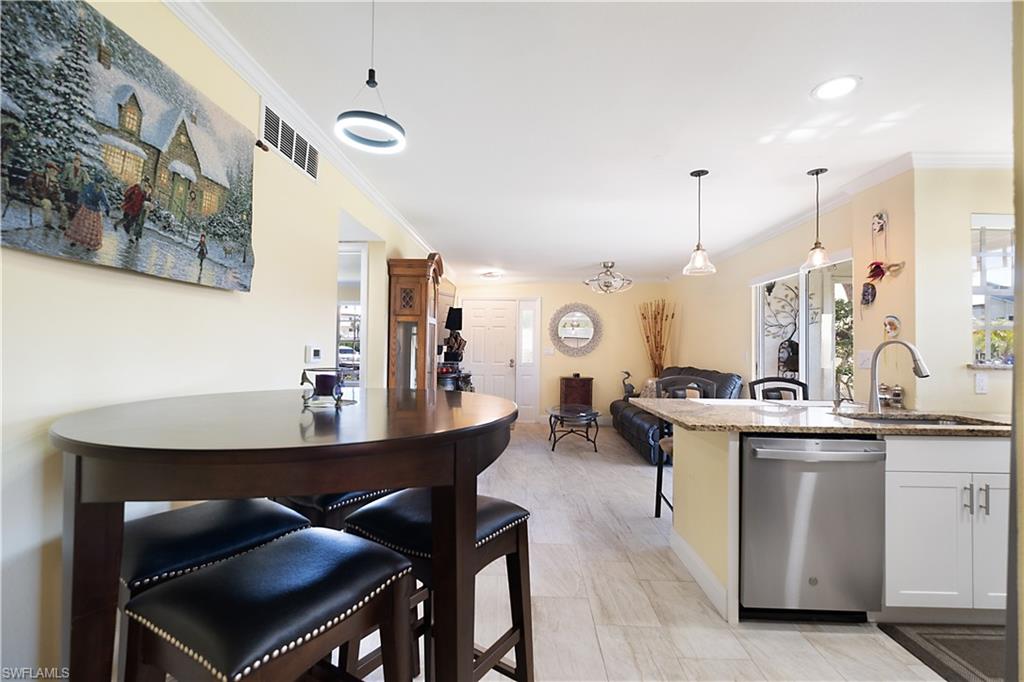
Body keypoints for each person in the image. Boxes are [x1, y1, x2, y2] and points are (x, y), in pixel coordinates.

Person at [64, 179, 109, 250]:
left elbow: (104, 200)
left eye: (100, 184)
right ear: (95, 182)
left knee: (93, 228)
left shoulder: (101, 191)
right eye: (97, 183)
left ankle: (89, 244)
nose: (98, 185)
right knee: (81, 225)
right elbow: (83, 194)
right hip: (86, 208)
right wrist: (80, 202)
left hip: (95, 210)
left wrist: (107, 208)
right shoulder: (89, 186)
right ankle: (75, 241)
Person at [117, 177, 152, 244]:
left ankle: (133, 237)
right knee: (129, 222)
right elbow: (127, 193)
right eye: (144, 182)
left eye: (146, 183)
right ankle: (122, 228)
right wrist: (128, 199)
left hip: (139, 210)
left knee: (135, 223)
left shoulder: (145, 191)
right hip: (131, 207)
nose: (145, 185)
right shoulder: (136, 188)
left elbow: (147, 200)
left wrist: (147, 200)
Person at [27, 161, 63, 229]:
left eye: (55, 171)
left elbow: (55, 193)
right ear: (47, 169)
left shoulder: (53, 181)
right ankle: (47, 223)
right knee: (47, 203)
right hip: (37, 197)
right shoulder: (37, 175)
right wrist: (33, 196)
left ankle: (62, 226)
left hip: (45, 198)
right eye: (52, 170)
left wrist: (57, 200)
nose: (54, 173)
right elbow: (29, 185)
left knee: (62, 206)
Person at [59, 153, 89, 225]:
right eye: (75, 161)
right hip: (69, 190)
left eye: (78, 162)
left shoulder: (83, 172)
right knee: (66, 206)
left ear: (80, 163)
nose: (76, 163)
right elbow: (62, 178)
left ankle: (72, 222)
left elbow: (87, 182)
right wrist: (64, 186)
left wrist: (84, 190)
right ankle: (63, 223)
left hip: (77, 192)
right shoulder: (69, 169)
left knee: (74, 207)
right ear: (73, 162)